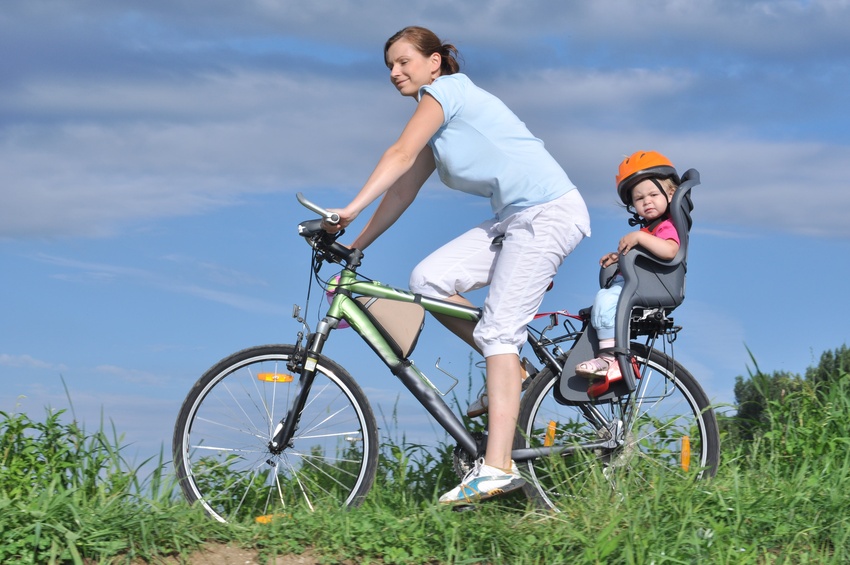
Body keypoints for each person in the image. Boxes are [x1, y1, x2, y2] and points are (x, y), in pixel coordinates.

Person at [323, 26, 590, 504]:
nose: (394, 72)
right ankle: (520, 373)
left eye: (404, 61)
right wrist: (356, 245)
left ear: (435, 63)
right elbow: (403, 184)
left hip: (547, 214)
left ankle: (497, 467)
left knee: (498, 334)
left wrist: (349, 208)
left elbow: (398, 153)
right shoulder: (438, 125)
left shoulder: (447, 93)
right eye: (389, 65)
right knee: (427, 279)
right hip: (514, 219)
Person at [576, 150, 681, 381]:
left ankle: (610, 359)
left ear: (671, 194)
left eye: (654, 194)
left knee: (604, 301)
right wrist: (619, 257)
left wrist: (640, 238)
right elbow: (645, 255)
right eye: (640, 198)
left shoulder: (665, 227)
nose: (647, 201)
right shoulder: (649, 229)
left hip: (647, 286)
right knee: (600, 307)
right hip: (639, 282)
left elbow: (670, 250)